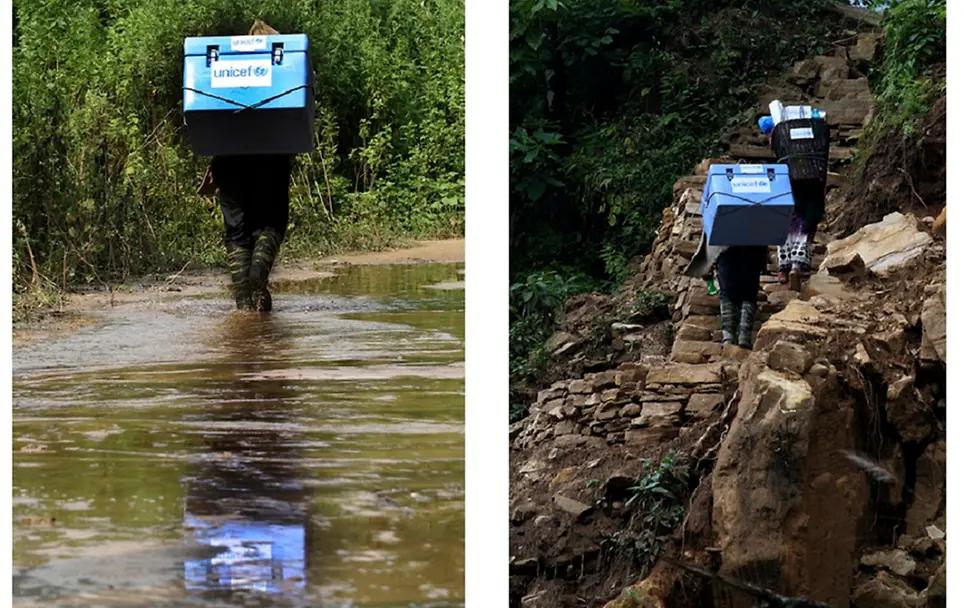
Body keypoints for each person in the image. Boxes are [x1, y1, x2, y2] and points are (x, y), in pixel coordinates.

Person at [197, 21, 292, 312]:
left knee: (237, 231)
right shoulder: (283, 68)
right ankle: (258, 278)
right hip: (271, 158)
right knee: (271, 222)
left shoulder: (223, 68)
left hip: (229, 160)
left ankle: (243, 304)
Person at [687, 242, 766, 350]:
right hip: (752, 253)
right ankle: (744, 336)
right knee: (749, 294)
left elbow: (711, 239)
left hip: (726, 253)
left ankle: (728, 336)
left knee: (727, 294)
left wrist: (708, 263)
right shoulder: (758, 225)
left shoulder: (721, 225)